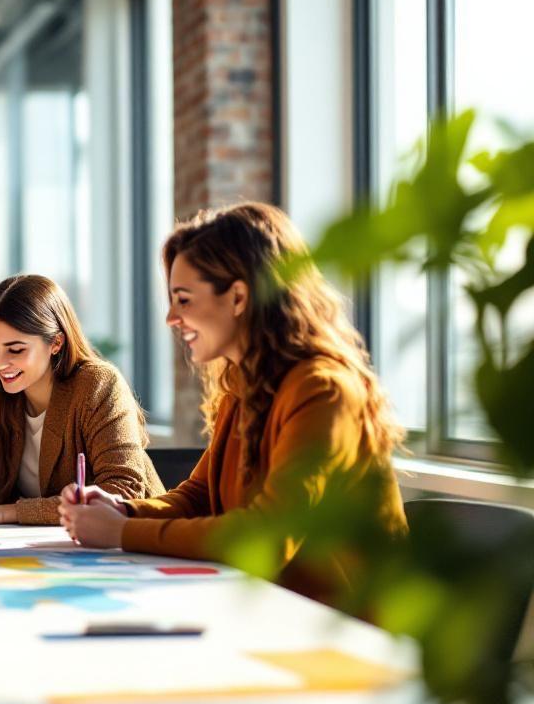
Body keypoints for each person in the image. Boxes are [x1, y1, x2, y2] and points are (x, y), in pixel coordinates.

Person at [58, 201, 407, 607]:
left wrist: (119, 532)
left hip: (346, 630)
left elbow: (269, 536)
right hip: (271, 609)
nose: (171, 317)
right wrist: (125, 511)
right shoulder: (244, 385)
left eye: (184, 299)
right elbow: (200, 497)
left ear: (238, 297)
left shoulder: (323, 389)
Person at [0, 274, 162, 531]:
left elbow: (123, 491)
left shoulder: (99, 386)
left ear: (56, 343)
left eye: (15, 350)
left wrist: (8, 512)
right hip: (38, 550)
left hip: (128, 542)